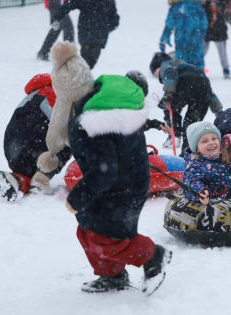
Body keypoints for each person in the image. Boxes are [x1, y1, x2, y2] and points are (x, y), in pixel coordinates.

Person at [65, 73, 172, 295]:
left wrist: (78, 197)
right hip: (116, 185)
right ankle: (112, 275)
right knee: (87, 231)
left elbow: (105, 170)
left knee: (107, 239)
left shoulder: (95, 123)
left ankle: (153, 256)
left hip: (121, 190)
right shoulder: (109, 112)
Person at [0, 74, 71, 202]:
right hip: (39, 143)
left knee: (25, 169)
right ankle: (41, 178)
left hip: (11, 145)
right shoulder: (69, 96)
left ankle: (17, 180)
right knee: (72, 140)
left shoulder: (38, 90)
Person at [31, 41, 94, 192]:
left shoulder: (61, 102)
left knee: (67, 138)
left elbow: (56, 132)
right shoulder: (94, 97)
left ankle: (39, 176)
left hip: (30, 142)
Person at [149, 52, 223, 155]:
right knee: (191, 123)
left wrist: (168, 94)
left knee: (169, 107)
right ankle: (186, 153)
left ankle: (174, 135)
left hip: (184, 84)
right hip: (202, 85)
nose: (156, 76)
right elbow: (209, 93)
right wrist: (218, 110)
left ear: (157, 66)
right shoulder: (189, 66)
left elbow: (170, 74)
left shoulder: (166, 64)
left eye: (155, 73)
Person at [50, 0, 119, 69]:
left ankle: (80, 75)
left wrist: (107, 28)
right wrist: (56, 17)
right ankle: (80, 75)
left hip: (90, 33)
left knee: (87, 62)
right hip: (92, 34)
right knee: (88, 61)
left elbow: (114, 17)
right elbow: (70, 4)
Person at [159, 0, 208, 71]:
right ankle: (199, 77)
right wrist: (200, 35)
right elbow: (204, 24)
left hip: (181, 40)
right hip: (195, 40)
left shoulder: (176, 7)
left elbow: (169, 24)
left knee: (181, 63)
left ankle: (183, 76)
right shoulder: (198, 7)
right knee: (197, 63)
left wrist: (165, 37)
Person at [203, 0, 231, 79]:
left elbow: (230, 8)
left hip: (219, 29)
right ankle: (198, 68)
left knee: (222, 52)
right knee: (202, 50)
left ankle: (226, 69)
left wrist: (225, 10)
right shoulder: (206, 2)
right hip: (207, 28)